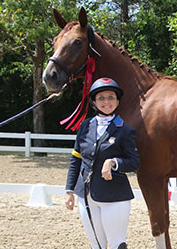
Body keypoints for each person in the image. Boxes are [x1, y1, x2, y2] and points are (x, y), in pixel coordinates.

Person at [64, 77, 140, 249]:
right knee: (96, 244)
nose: (106, 102)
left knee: (115, 244)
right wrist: (69, 190)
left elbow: (134, 162)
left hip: (114, 196)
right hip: (86, 195)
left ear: (117, 101)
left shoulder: (125, 130)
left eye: (111, 97)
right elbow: (76, 158)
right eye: (101, 98)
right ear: (94, 102)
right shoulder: (85, 126)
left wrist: (114, 162)